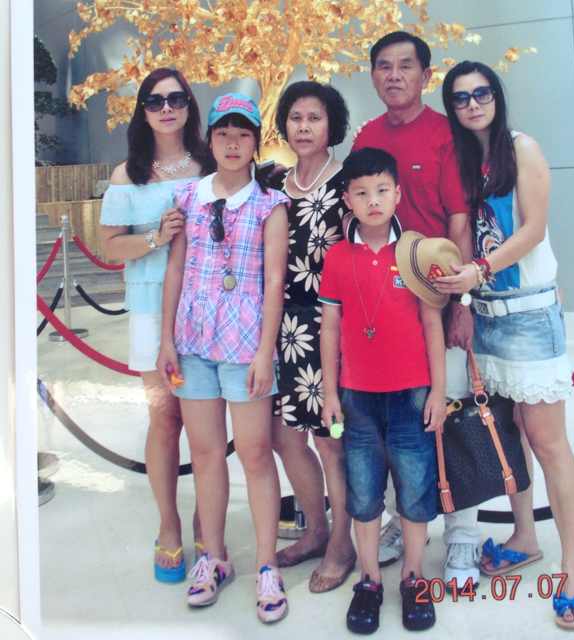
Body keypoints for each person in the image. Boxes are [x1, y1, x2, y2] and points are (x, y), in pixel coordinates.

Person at [437, 60, 574, 630]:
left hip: (528, 315)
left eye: (481, 93)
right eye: (460, 97)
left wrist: (478, 270)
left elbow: (532, 229)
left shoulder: (521, 148)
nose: (473, 104)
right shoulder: (462, 160)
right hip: (485, 318)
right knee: (510, 437)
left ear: (496, 96)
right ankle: (525, 536)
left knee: (549, 442)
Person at [352, 30, 481, 587]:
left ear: (426, 76)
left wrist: (462, 301)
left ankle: (463, 537)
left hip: (437, 299)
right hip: (383, 309)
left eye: (406, 66)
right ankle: (398, 523)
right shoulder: (367, 136)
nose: (394, 75)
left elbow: (460, 220)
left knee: (449, 416)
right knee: (390, 422)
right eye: (384, 66)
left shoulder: (445, 134)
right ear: (373, 76)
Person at [156, 93, 290, 623]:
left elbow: (275, 282)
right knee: (207, 453)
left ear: (256, 142)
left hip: (245, 344)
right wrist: (167, 339)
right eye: (223, 134)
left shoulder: (270, 205)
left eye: (243, 134)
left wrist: (264, 352)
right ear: (209, 140)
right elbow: (175, 269)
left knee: (255, 453)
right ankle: (213, 558)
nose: (233, 143)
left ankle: (266, 565)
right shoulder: (188, 197)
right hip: (192, 342)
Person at [320, 147, 446, 634]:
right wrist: (330, 394)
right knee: (364, 490)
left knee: (415, 486)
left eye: (381, 191)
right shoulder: (337, 257)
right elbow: (331, 328)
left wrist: (438, 390)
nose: (372, 201)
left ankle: (413, 576)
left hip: (412, 392)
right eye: (361, 193)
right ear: (347, 201)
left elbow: (432, 324)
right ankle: (369, 579)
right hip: (357, 396)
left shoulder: (416, 252)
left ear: (397, 194)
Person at [100, 68, 212, 584]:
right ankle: (169, 524)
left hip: (208, 306)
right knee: (164, 418)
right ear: (142, 110)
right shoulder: (129, 175)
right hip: (150, 307)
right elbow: (110, 245)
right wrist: (155, 238)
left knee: (207, 423)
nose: (166, 108)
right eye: (154, 100)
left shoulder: (212, 163)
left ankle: (206, 520)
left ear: (189, 105)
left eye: (176, 99)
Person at [270, 81, 357, 593]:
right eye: (296, 117)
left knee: (331, 441)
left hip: (329, 329)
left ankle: (342, 543)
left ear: (332, 125)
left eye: (314, 118)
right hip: (280, 329)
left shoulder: (347, 183)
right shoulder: (273, 183)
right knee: (286, 438)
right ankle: (316, 529)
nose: (303, 127)